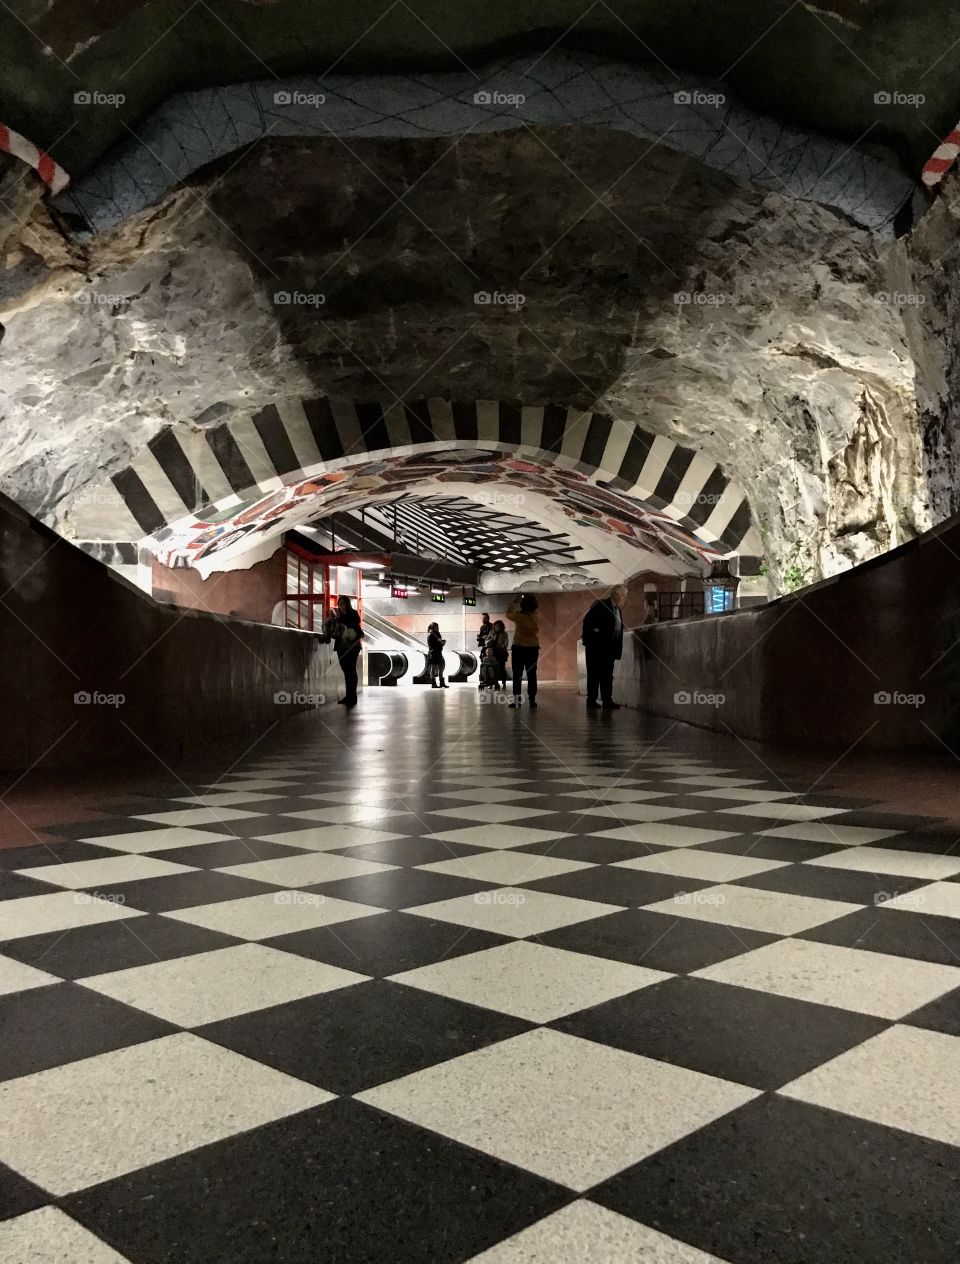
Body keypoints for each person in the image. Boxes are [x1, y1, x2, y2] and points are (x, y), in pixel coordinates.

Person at [581, 584, 625, 710]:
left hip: (609, 648)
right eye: (623, 596)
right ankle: (592, 700)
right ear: (616, 595)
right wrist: (597, 634)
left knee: (607, 675)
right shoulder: (601, 604)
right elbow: (588, 622)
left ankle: (607, 700)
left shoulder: (617, 609)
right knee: (594, 674)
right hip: (596, 648)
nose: (624, 599)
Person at [323, 595, 363, 707]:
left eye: (343, 603)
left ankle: (352, 696)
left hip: (352, 646)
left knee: (351, 670)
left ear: (347, 604)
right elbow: (335, 632)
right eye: (339, 604)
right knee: (346, 671)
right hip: (341, 646)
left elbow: (354, 622)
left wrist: (339, 618)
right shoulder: (338, 617)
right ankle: (349, 696)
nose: (341, 606)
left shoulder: (352, 614)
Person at [505, 594, 539, 708]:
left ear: (522, 605)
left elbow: (508, 613)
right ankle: (532, 700)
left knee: (517, 675)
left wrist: (515, 601)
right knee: (532, 674)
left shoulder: (518, 616)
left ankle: (517, 701)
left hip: (519, 647)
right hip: (533, 648)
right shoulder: (537, 616)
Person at [427, 621, 448, 689]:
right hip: (433, 654)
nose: (438, 628)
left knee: (441, 668)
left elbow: (439, 643)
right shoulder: (430, 635)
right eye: (437, 627)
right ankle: (433, 683)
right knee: (433, 669)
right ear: (433, 628)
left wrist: (442, 643)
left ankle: (441, 683)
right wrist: (439, 643)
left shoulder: (437, 634)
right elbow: (431, 645)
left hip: (438, 653)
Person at [490, 619, 509, 689]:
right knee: (493, 668)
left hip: (501, 652)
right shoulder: (492, 633)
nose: (497, 628)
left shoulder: (504, 633)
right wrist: (491, 639)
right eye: (496, 626)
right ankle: (494, 683)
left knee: (502, 668)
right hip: (493, 652)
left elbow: (506, 643)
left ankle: (504, 683)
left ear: (502, 627)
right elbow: (487, 641)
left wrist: (503, 646)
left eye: (499, 626)